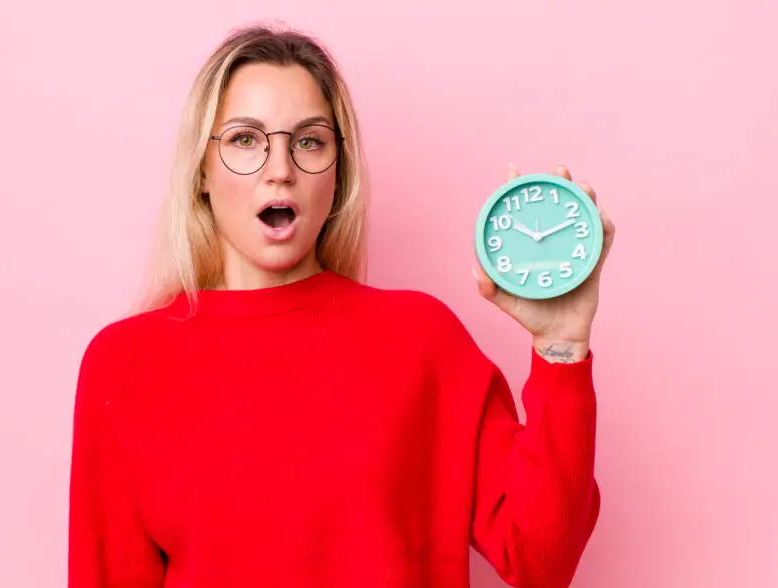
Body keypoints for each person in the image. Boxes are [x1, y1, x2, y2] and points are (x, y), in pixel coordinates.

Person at [68, 23, 616, 588]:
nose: (280, 170)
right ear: (202, 170)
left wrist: (562, 346)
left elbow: (542, 561)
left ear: (338, 172)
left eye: (309, 141)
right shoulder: (124, 364)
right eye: (244, 139)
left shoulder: (420, 339)